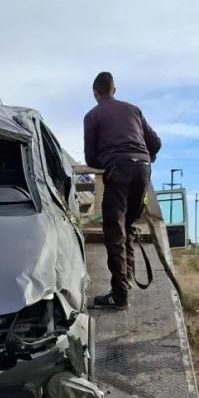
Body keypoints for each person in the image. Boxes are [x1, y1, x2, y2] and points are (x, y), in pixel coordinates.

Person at [83, 71, 162, 309]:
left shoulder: (92, 115)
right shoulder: (134, 110)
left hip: (119, 169)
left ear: (95, 93)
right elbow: (156, 143)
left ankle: (119, 295)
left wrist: (111, 161)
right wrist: (144, 159)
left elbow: (91, 158)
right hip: (143, 169)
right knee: (126, 226)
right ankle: (124, 283)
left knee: (114, 229)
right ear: (114, 90)